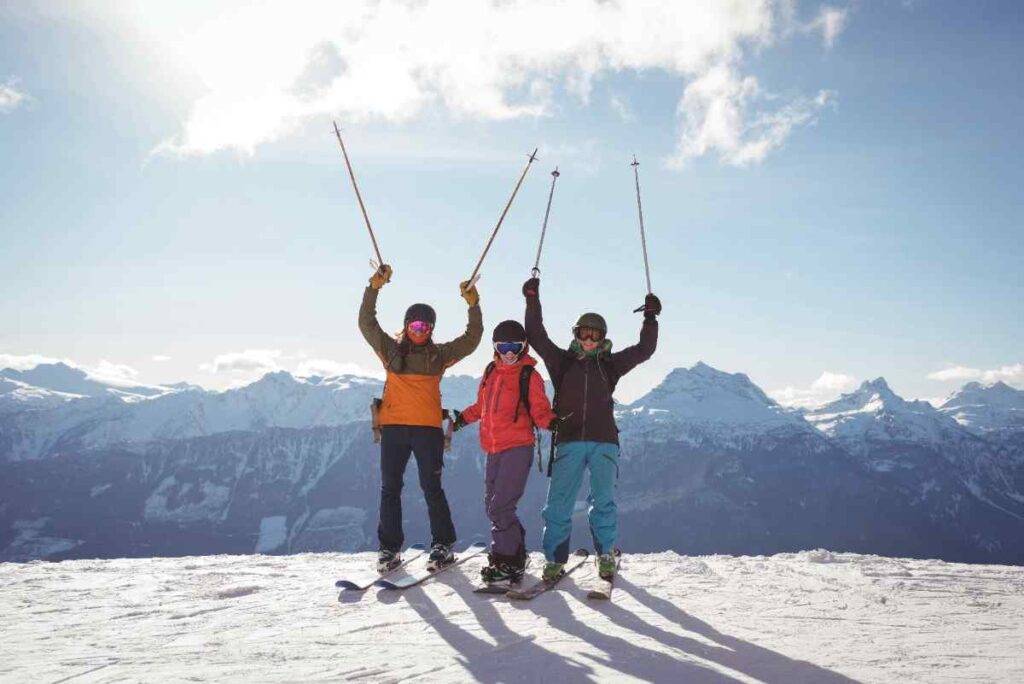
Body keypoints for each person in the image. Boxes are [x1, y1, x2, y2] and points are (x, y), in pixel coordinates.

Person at [522, 276, 660, 581]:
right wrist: (532, 299)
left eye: (595, 335)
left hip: (604, 442)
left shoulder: (610, 365)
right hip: (569, 441)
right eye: (585, 333)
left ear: (602, 338)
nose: (589, 339)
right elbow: (535, 333)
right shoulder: (561, 361)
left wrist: (650, 318)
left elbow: (644, 349)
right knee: (558, 504)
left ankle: (606, 555)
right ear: (576, 334)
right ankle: (554, 560)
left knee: (603, 503)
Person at [358, 264, 482, 571]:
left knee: (431, 488)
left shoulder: (438, 355)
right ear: (406, 326)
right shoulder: (389, 349)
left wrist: (473, 305)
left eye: (425, 328)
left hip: (427, 431)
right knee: (390, 488)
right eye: (414, 327)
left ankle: (442, 544)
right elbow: (366, 323)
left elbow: (472, 338)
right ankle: (389, 548)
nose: (419, 332)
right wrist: (374, 287)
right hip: (396, 429)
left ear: (431, 330)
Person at [453, 320, 557, 587]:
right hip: (493, 448)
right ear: (495, 348)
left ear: (523, 347)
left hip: (518, 447)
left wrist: (555, 423)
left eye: (515, 347)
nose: (509, 353)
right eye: (503, 347)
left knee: (501, 506)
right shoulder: (490, 371)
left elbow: (540, 410)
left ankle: (507, 561)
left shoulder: (529, 376)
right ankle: (514, 553)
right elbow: (483, 406)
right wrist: (462, 419)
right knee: (492, 504)